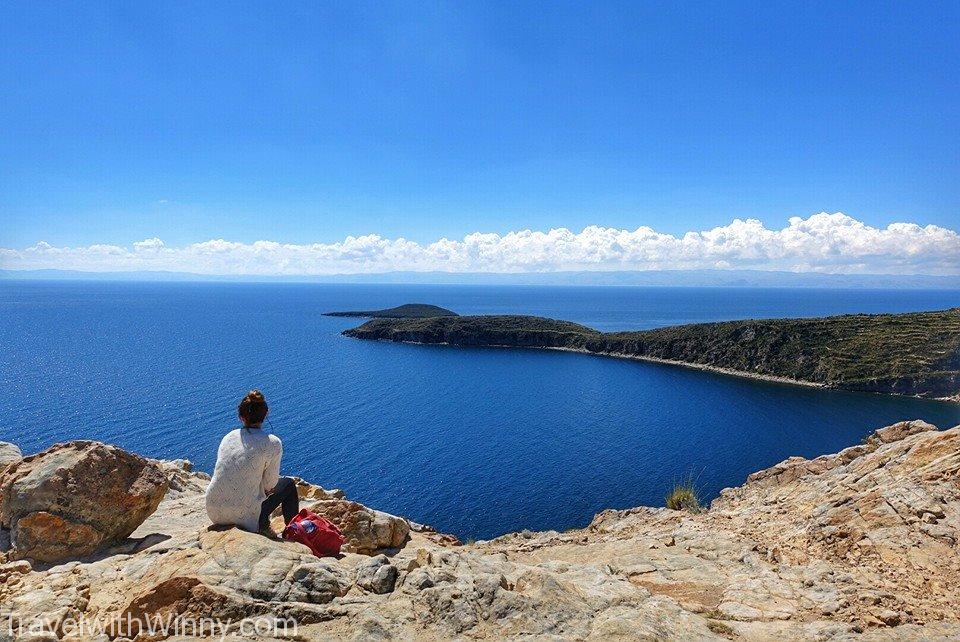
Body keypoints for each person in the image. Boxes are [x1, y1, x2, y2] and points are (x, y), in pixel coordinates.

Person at [205, 389, 299, 536]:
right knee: (288, 484)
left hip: (214, 512)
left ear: (241, 416)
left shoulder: (228, 437)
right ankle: (293, 534)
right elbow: (270, 485)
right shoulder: (273, 443)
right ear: (266, 414)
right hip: (245, 518)